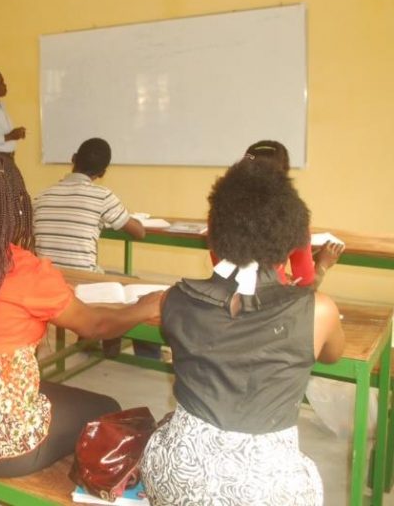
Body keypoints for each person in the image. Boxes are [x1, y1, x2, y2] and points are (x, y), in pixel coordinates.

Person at [0, 151, 160, 477]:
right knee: (106, 408)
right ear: (17, 204)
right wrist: (143, 307)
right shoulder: (24, 268)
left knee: (48, 391)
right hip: (6, 450)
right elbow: (94, 324)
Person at [140, 157, 344, 505]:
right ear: (291, 239)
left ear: (214, 235)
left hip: (175, 476)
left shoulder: (174, 299)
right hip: (266, 491)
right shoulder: (319, 310)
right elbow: (333, 355)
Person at [33, 138, 150, 358]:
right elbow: (139, 232)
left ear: (73, 159)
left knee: (113, 277)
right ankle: (142, 354)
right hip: (84, 282)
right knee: (137, 289)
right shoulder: (102, 196)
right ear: (103, 172)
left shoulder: (41, 196)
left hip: (47, 279)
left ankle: (95, 340)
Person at [209, 140, 343, 289]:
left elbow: (223, 263)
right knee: (325, 307)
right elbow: (306, 284)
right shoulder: (294, 214)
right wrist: (322, 264)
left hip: (225, 295)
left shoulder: (218, 209)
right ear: (284, 173)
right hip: (270, 300)